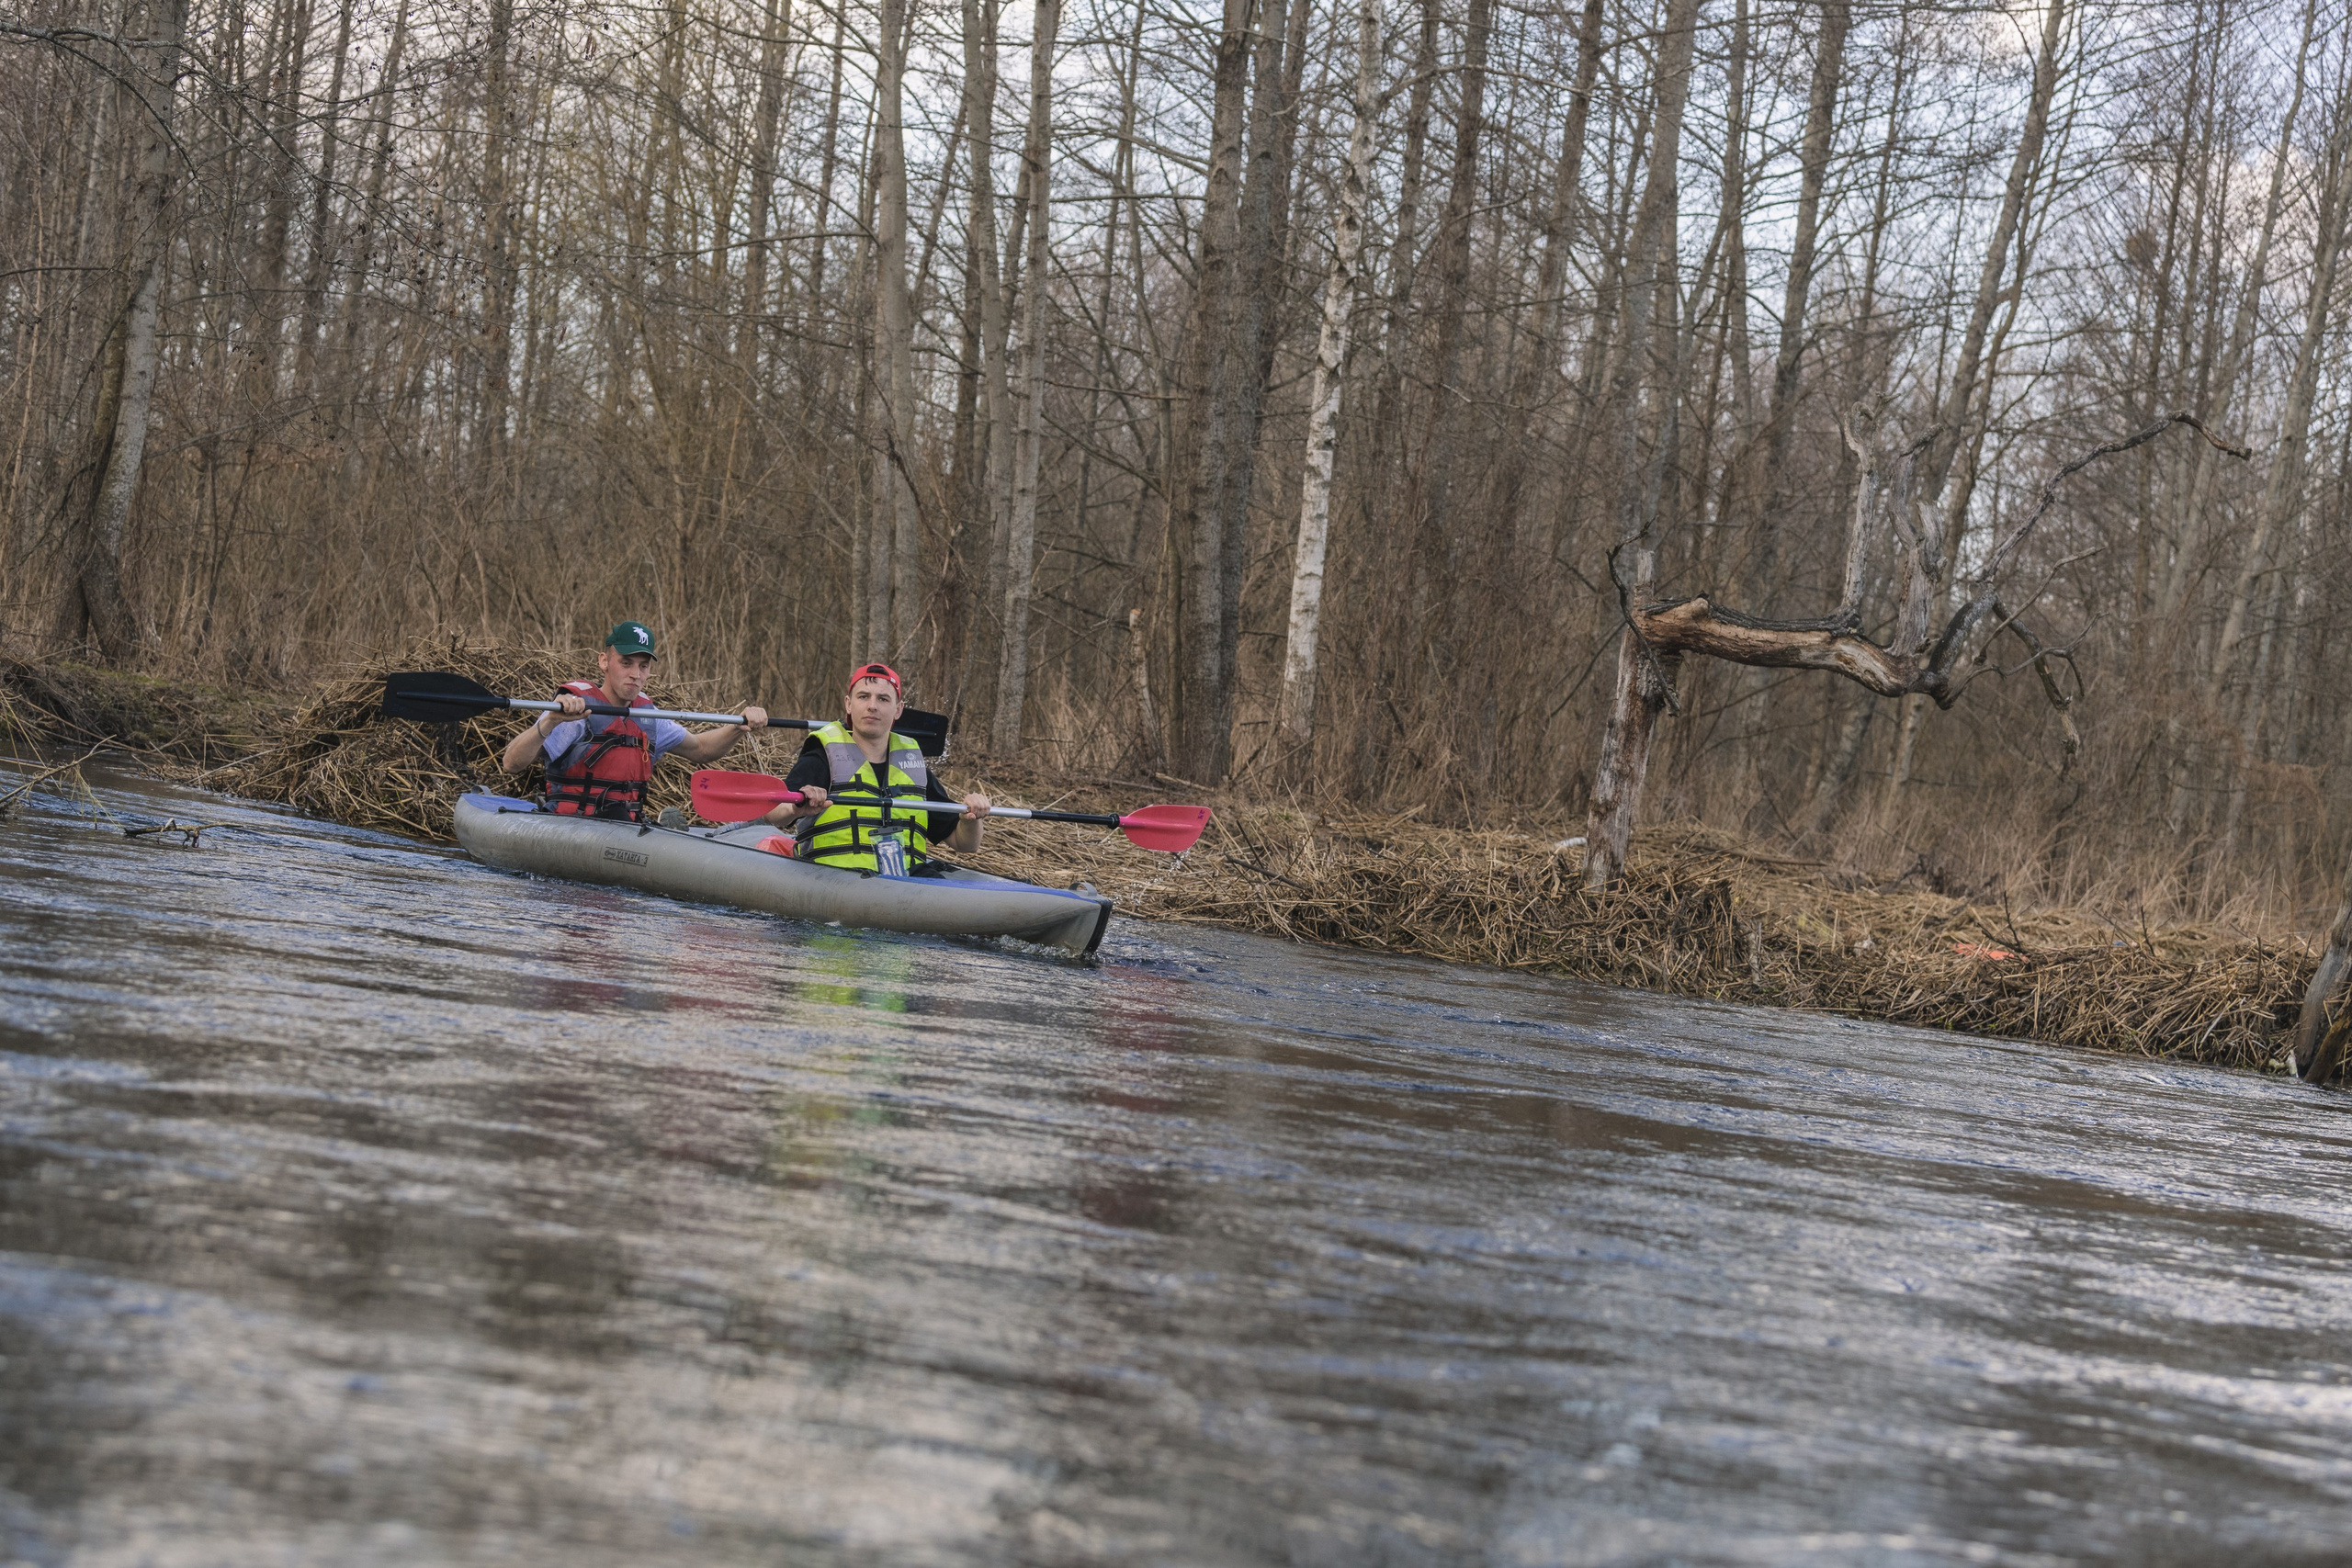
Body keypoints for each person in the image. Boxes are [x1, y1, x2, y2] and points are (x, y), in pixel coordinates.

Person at [499, 620, 768, 821]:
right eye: (626, 663)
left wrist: (738, 727)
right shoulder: (573, 710)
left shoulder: (647, 716)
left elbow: (701, 749)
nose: (635, 675)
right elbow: (511, 763)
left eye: (643, 666)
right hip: (571, 825)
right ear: (604, 661)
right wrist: (550, 722)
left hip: (625, 829)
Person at [763, 662, 989, 874]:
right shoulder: (822, 756)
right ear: (848, 704)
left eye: (883, 699)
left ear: (898, 710)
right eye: (863, 697)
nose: (872, 706)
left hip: (905, 883)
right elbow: (774, 814)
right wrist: (796, 807)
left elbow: (965, 843)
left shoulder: (912, 766)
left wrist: (972, 820)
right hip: (834, 879)